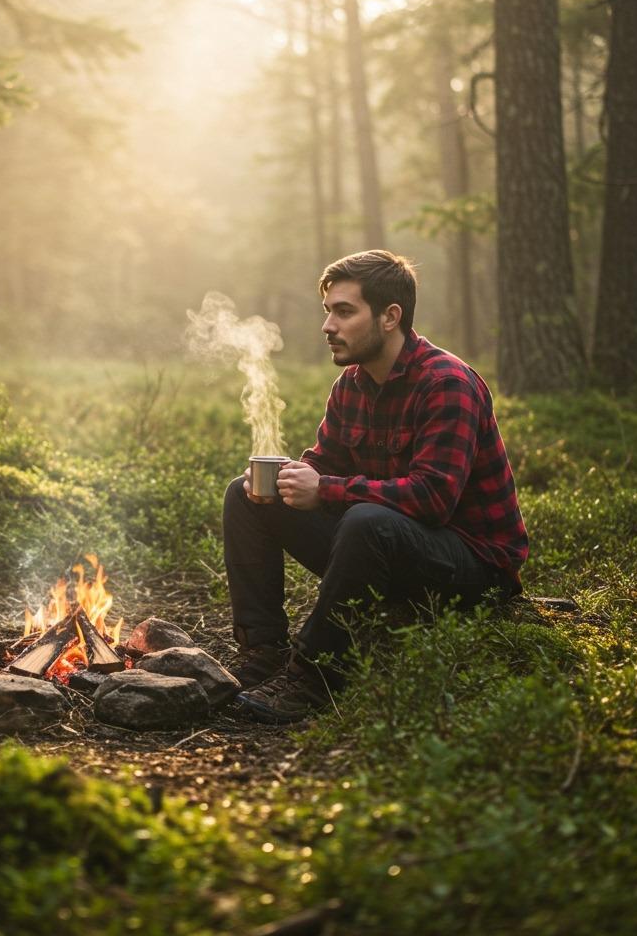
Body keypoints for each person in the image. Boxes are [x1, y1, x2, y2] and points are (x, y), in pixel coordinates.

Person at [225, 250, 528, 723]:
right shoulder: (351, 385)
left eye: (344, 311)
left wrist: (324, 491)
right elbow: (324, 463)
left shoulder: (447, 383)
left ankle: (314, 673)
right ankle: (263, 651)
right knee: (244, 495)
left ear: (391, 317)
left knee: (369, 520)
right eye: (328, 311)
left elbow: (432, 498)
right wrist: (288, 480)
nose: (328, 325)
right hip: (387, 548)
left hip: (475, 568)